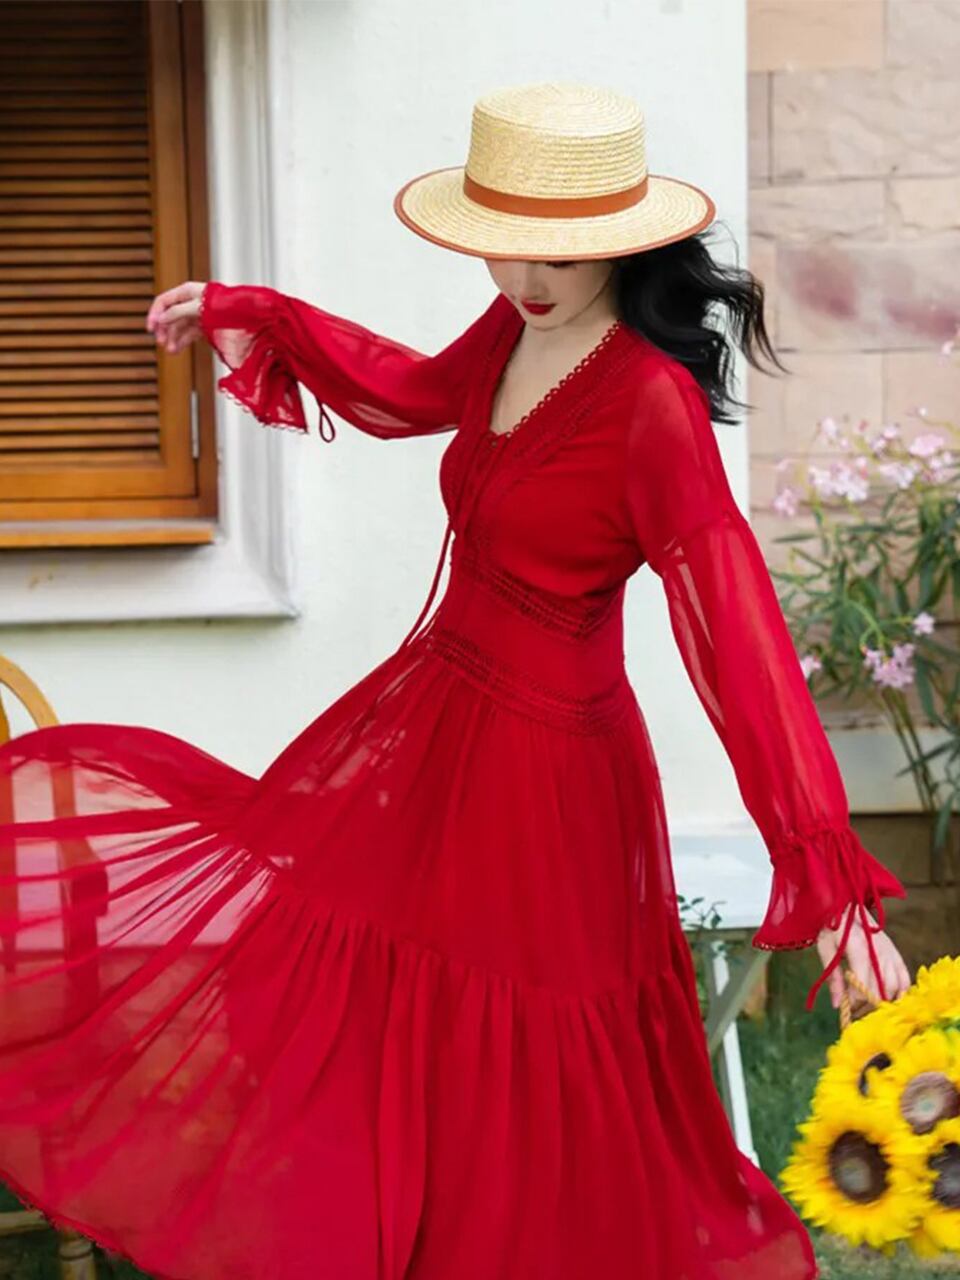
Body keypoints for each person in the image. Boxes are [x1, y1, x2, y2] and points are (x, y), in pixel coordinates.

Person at [0, 81, 909, 1279]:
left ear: (619, 240)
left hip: (552, 778)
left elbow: (735, 639)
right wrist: (257, 311)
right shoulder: (516, 329)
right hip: (437, 725)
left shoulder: (651, 405)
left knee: (526, 1055)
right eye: (503, 244)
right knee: (385, 1013)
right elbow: (408, 390)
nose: (524, 276)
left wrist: (828, 873)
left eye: (556, 252)